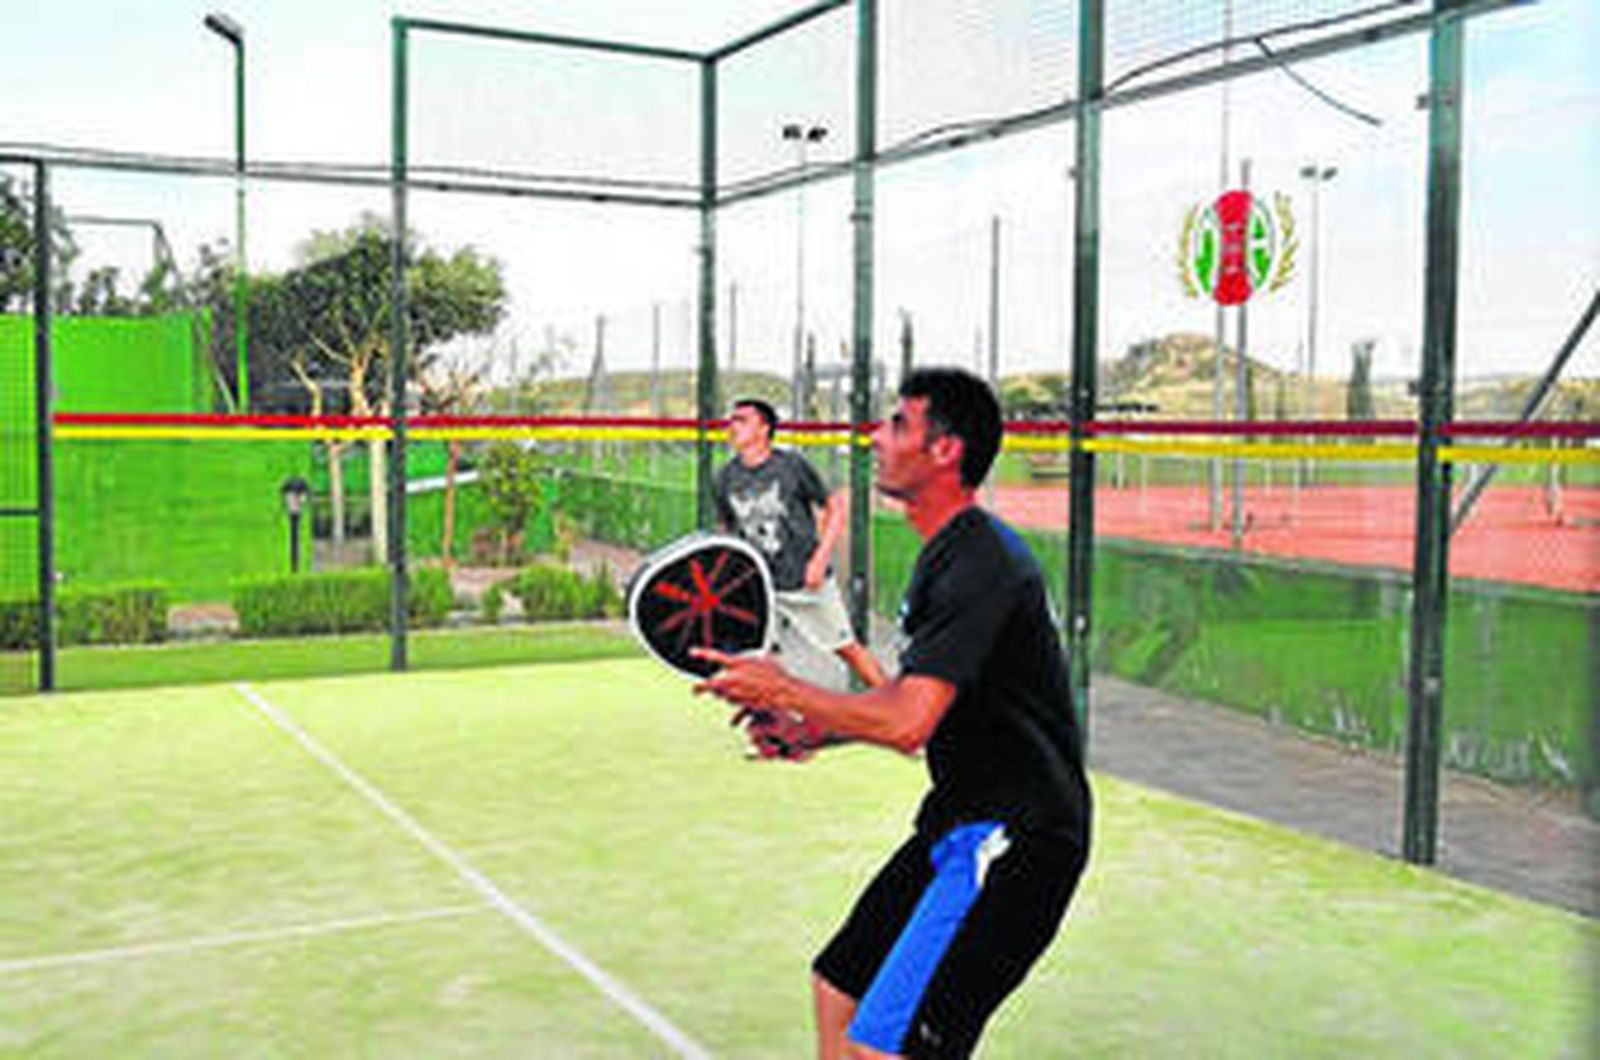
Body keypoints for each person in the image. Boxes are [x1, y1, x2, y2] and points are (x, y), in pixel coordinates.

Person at [696, 369, 1092, 1059]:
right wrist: (811, 727)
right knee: (837, 985)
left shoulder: (983, 561)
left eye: (899, 424)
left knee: (888, 1049)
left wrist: (788, 690)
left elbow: (908, 722)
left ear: (946, 450)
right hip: (960, 816)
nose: (877, 436)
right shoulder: (945, 557)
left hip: (1021, 837)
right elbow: (917, 708)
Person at [714, 397, 887, 689]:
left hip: (805, 581)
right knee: (756, 660)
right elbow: (728, 530)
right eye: (732, 420)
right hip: (761, 586)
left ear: (764, 428)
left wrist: (820, 559)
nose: (733, 426)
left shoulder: (791, 466)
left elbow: (835, 507)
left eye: (742, 420)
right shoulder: (725, 477)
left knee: (847, 649)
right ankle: (771, 725)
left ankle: (897, 706)